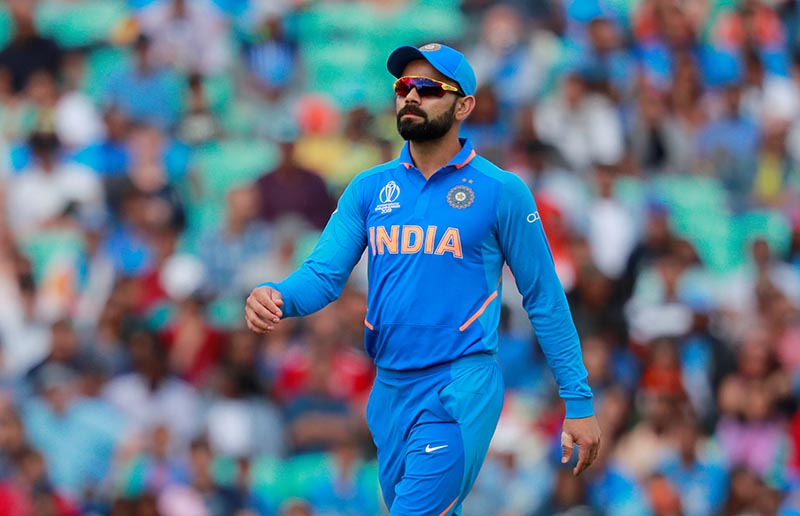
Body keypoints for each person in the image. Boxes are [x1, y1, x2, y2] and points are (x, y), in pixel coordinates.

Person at [246, 43, 601, 515]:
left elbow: (544, 297)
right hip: (389, 388)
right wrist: (277, 295)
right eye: (403, 86)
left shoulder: (501, 191)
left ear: (464, 106)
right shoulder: (370, 188)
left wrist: (578, 400)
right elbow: (323, 276)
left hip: (459, 385)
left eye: (429, 88)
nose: (411, 96)